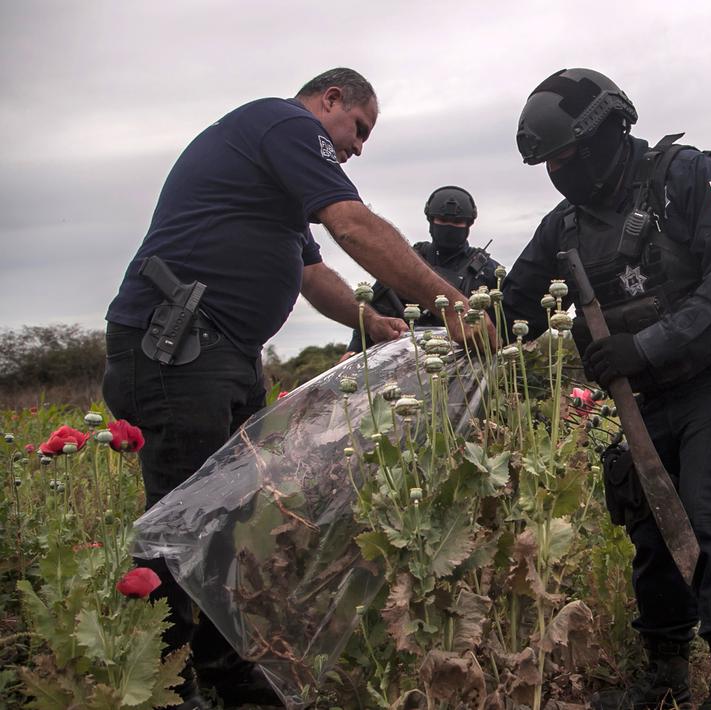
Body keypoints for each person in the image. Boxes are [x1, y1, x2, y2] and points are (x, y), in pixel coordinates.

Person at [102, 68, 491, 709]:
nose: (359, 146)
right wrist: (454, 304)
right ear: (330, 100)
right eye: (358, 129)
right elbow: (353, 225)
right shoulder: (282, 123)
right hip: (174, 348)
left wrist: (372, 321)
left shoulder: (273, 180)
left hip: (221, 353)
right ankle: (169, 684)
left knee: (227, 522)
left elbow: (311, 272)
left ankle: (225, 675)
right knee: (184, 523)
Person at [501, 68, 711, 709]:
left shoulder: (690, 176)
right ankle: (663, 678)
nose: (559, 173)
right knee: (652, 525)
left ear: (607, 132)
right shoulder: (564, 226)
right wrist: (438, 331)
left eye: (567, 157)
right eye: (548, 165)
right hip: (649, 394)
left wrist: (646, 346)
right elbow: (511, 306)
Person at [344, 185, 502, 355]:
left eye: (457, 222)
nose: (449, 227)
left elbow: (505, 326)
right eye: (442, 220)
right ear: (430, 220)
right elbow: (370, 316)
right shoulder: (405, 265)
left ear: (469, 224)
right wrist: (353, 350)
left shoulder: (487, 271)